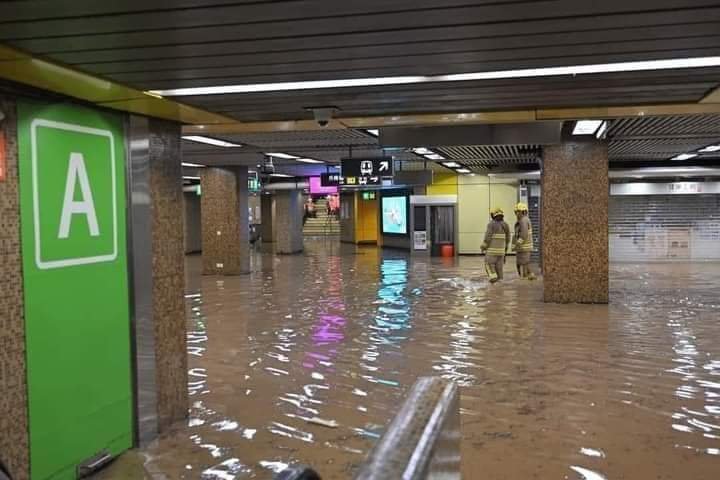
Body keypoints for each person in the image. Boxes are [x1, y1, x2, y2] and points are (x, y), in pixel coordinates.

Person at [481, 207, 510, 283]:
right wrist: (505, 252)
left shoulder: (491, 224)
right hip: (501, 253)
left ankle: (493, 281)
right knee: (499, 269)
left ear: (493, 215)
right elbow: (508, 240)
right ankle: (500, 286)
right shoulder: (506, 225)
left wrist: (483, 247)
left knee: (488, 265)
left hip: (491, 252)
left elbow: (488, 236)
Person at [513, 202, 537, 280]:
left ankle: (524, 278)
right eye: (516, 212)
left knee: (522, 263)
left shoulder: (523, 221)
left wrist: (518, 243)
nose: (516, 214)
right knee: (525, 262)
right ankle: (530, 276)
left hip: (524, 246)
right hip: (524, 246)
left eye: (517, 212)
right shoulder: (525, 219)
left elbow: (524, 233)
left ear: (522, 212)